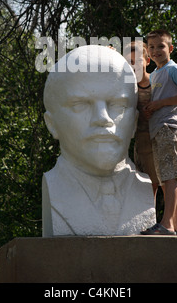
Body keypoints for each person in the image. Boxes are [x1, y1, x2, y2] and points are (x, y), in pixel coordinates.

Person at [42, 45, 156, 237]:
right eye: (80, 105)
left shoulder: (146, 187)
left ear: (135, 122)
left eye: (118, 105)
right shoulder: (55, 189)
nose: (102, 118)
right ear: (52, 124)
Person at [141, 30, 177, 235]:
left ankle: (166, 224)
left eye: (161, 46)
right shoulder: (154, 74)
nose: (156, 50)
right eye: (152, 47)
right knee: (170, 178)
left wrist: (159, 104)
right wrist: (150, 110)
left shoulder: (174, 68)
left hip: (169, 128)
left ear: (170, 48)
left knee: (170, 178)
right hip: (158, 130)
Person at [124, 40, 160, 198]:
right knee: (143, 188)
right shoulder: (127, 85)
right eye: (130, 62)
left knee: (160, 184)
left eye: (138, 60)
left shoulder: (156, 82)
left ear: (147, 60)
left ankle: (170, 222)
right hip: (139, 143)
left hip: (156, 142)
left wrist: (154, 110)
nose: (134, 65)